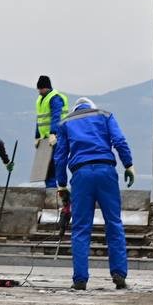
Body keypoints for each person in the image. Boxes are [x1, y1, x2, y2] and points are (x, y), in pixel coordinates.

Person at [53, 97, 136, 290]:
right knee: (114, 223)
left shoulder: (65, 123)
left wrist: (62, 184)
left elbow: (60, 156)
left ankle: (80, 279)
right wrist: (128, 164)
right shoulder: (105, 115)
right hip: (106, 172)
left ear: (76, 109)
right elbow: (119, 141)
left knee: (81, 228)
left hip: (81, 175)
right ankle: (119, 275)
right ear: (91, 107)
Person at [34, 75, 69, 189]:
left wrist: (53, 133)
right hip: (45, 138)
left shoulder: (55, 98)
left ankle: (60, 189)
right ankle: (51, 189)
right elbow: (39, 119)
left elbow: (56, 116)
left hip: (58, 137)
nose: (39, 91)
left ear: (46, 88)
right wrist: (37, 136)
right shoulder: (40, 99)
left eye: (41, 89)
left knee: (55, 163)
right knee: (46, 166)